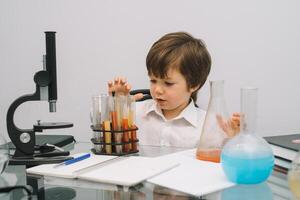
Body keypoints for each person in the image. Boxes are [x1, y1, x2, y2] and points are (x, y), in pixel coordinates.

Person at [108, 31, 239, 148]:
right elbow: (105, 131)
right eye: (153, 81)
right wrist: (117, 105)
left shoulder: (209, 125)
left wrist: (234, 140)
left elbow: (223, 161)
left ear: (194, 84)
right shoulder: (135, 112)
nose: (158, 90)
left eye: (168, 83)